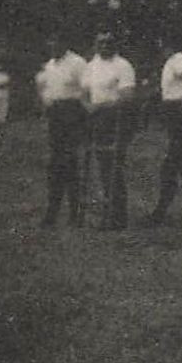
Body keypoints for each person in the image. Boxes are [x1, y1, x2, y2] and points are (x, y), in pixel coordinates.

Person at [81, 31, 136, 229]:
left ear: (115, 44)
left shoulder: (123, 66)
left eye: (109, 42)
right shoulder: (91, 66)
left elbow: (127, 97)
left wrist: (102, 107)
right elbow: (85, 93)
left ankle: (117, 216)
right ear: (95, 44)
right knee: (101, 166)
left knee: (113, 167)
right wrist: (88, 107)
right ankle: (102, 213)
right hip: (95, 119)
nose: (104, 46)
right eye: (100, 42)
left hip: (116, 120)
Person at [148, 34, 182, 225]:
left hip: (180, 114)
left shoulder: (179, 61)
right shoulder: (170, 62)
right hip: (173, 114)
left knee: (177, 165)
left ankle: (164, 210)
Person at [35, 33, 87, 227]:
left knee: (70, 164)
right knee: (55, 165)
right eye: (51, 41)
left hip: (73, 115)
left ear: (65, 42)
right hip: (55, 117)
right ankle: (52, 213)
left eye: (57, 41)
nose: (53, 45)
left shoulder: (77, 63)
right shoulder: (50, 65)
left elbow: (86, 90)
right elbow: (46, 91)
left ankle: (75, 213)